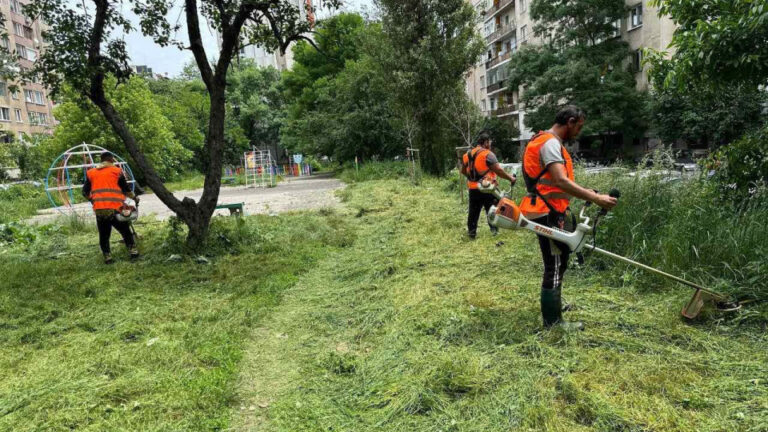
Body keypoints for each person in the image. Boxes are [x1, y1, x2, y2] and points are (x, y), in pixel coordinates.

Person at [519, 106, 617, 330]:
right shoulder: (551, 144)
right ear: (570, 122)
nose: (579, 132)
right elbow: (560, 181)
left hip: (547, 208)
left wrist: (587, 193)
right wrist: (597, 198)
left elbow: (553, 183)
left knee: (560, 261)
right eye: (579, 126)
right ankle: (553, 323)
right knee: (554, 264)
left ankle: (554, 307)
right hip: (546, 211)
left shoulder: (543, 140)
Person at [82, 152, 139, 264]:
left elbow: (84, 192)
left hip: (100, 210)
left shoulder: (91, 173)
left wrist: (92, 200)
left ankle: (107, 257)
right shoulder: (116, 171)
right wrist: (135, 198)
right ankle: (133, 252)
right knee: (125, 230)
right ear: (110, 159)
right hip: (115, 208)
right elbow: (125, 189)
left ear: (101, 160)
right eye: (112, 159)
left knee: (104, 234)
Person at [461, 132, 517, 239]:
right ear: (486, 142)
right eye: (489, 142)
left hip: (473, 188)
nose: (490, 144)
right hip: (488, 188)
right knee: (491, 209)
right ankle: (494, 231)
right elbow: (499, 170)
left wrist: (472, 179)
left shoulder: (467, 155)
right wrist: (511, 178)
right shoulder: (487, 154)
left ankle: (472, 233)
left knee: (473, 211)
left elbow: (463, 170)